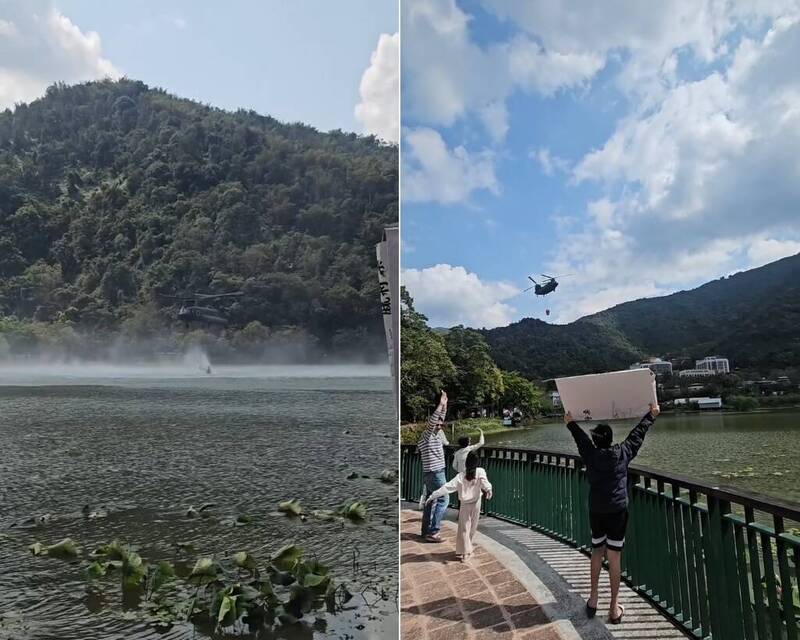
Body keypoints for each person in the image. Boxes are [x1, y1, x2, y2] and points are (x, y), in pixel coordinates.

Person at [565, 403, 660, 625]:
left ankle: (593, 599)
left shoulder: (590, 454)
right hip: (617, 511)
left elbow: (580, 438)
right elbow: (637, 434)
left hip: (597, 510)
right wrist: (651, 414)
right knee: (614, 556)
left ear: (596, 440)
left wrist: (570, 422)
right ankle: (614, 607)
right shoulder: (623, 453)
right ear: (609, 439)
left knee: (597, 551)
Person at [426, 452, 492, 561]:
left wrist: (432, 496)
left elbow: (447, 487)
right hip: (476, 503)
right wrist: (489, 490)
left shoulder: (460, 476)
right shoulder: (480, 471)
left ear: (466, 463)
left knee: (464, 528)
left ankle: (465, 551)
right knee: (472, 527)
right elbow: (485, 483)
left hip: (465, 505)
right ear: (477, 462)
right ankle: (467, 551)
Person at [417, 390, 449, 542]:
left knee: (430, 501)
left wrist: (445, 404)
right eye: (438, 423)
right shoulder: (427, 435)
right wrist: (441, 405)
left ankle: (425, 531)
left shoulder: (434, 435)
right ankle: (434, 531)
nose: (440, 424)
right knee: (444, 499)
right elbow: (434, 421)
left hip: (431, 473)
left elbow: (439, 419)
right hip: (436, 473)